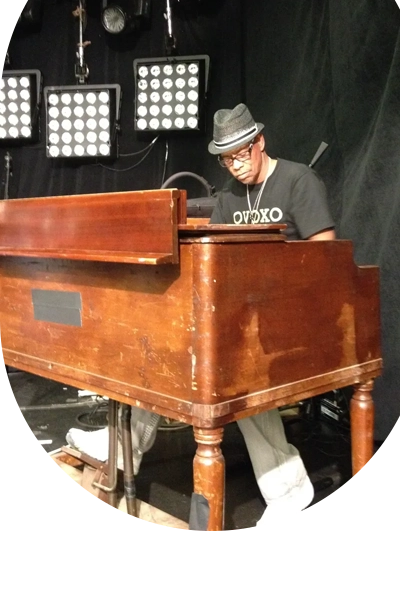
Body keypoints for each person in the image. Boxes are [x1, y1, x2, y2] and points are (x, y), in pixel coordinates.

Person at [67, 102, 336, 531]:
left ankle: (289, 491)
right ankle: (122, 450)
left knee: (233, 373)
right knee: (160, 350)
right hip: (241, 315)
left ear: (259, 142)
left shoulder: (298, 180)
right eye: (226, 159)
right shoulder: (229, 197)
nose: (235, 165)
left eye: (241, 154)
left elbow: (327, 258)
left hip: (290, 317)